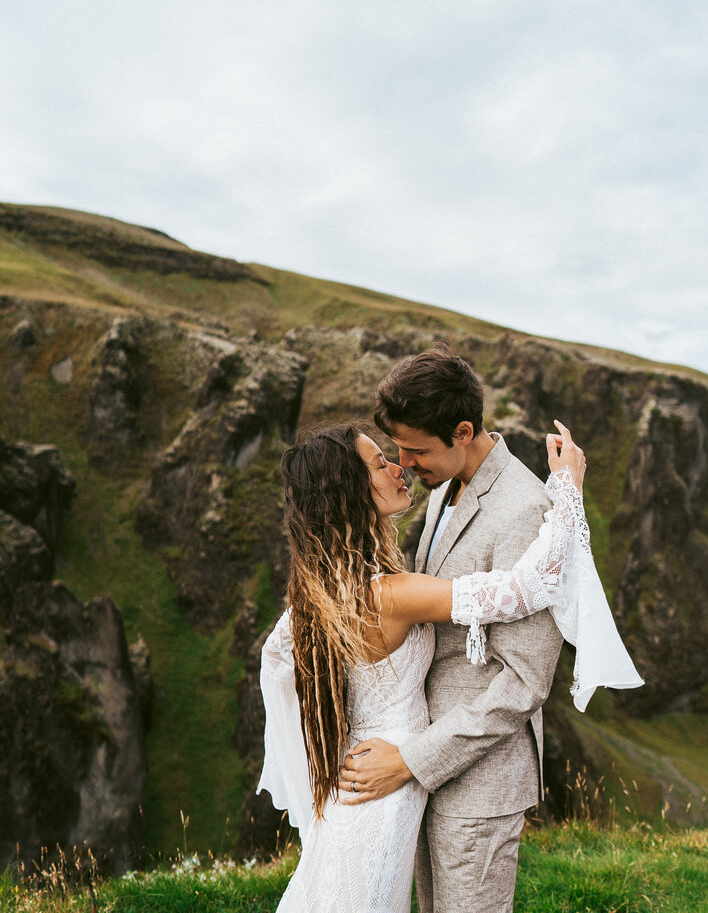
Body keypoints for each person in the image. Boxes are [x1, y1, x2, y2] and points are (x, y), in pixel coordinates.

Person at [257, 380, 642, 912]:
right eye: (386, 458)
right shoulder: (390, 581)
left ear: (461, 433)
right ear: (349, 494)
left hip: (453, 779)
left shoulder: (328, 583)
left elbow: (526, 678)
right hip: (388, 783)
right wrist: (570, 490)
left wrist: (561, 498)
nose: (403, 465)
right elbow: (524, 587)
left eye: (411, 450)